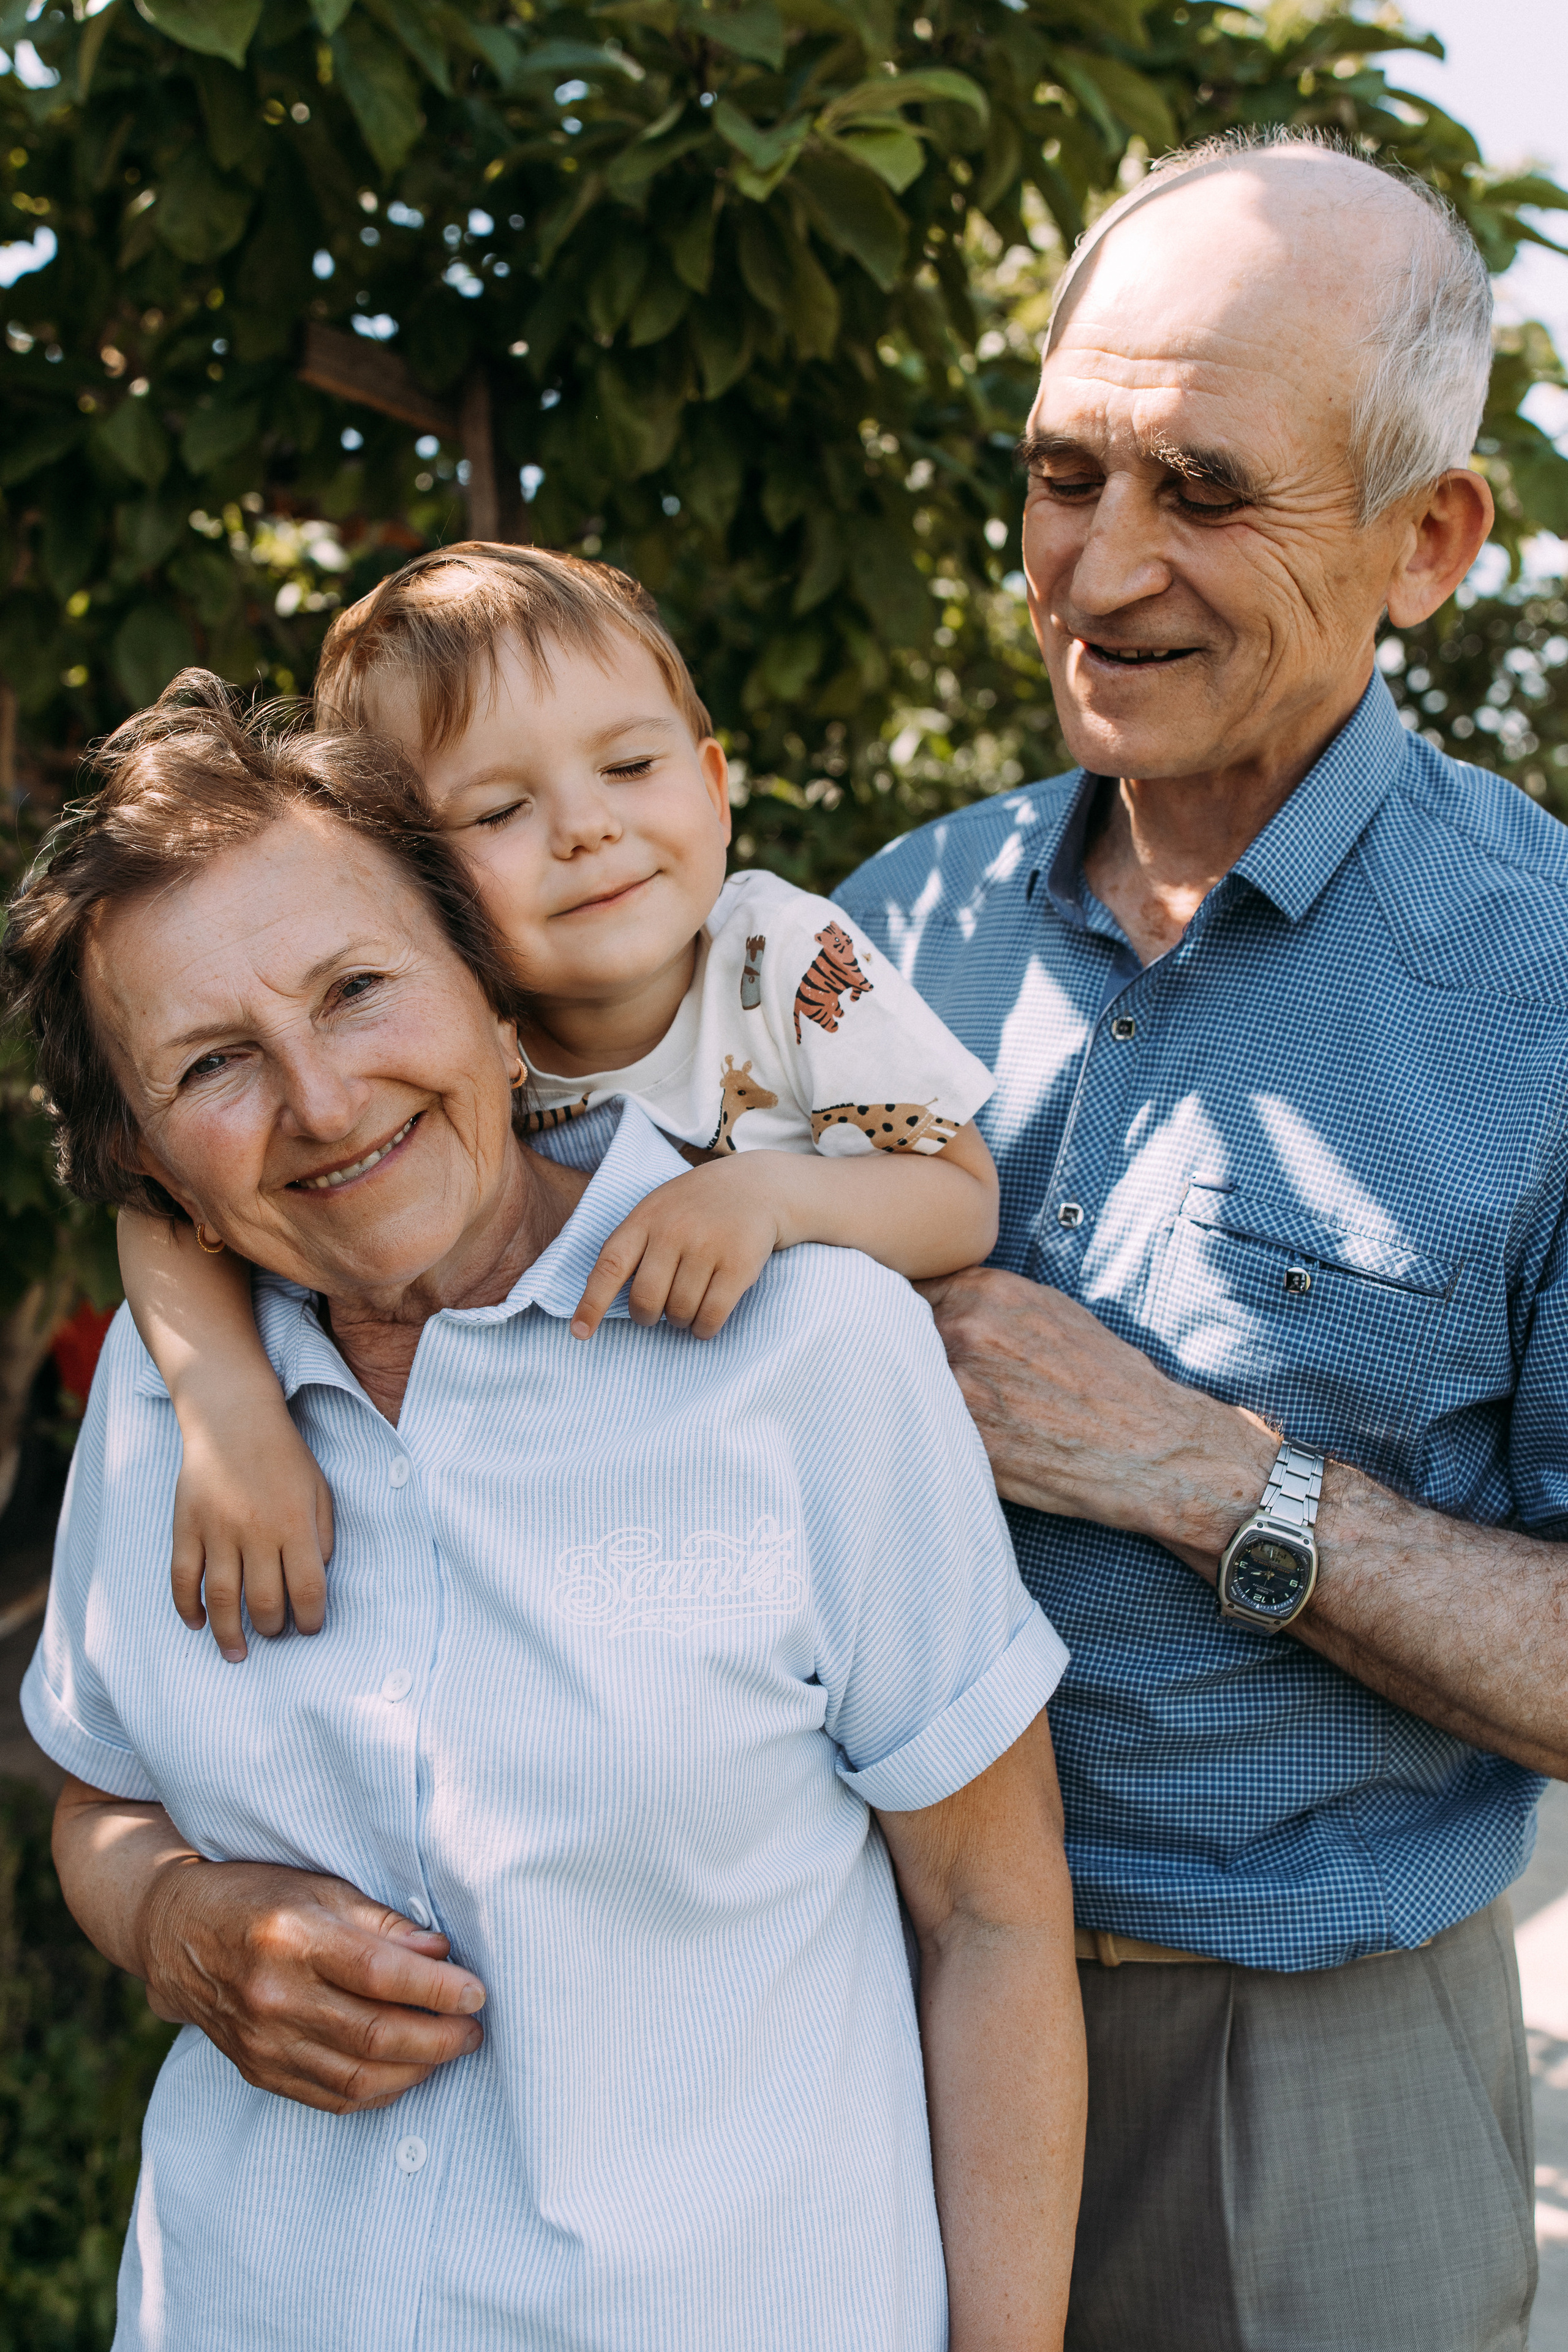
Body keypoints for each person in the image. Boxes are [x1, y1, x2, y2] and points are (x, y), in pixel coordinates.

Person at [3, 676, 1085, 2352]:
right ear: (148, 1163)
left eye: (360, 988)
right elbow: (98, 1799)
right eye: (215, 1062)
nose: (324, 1098)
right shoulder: (166, 1403)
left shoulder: (809, 1351)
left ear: (494, 997)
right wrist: (172, 1920)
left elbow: (996, 1915)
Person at [835, 127, 1556, 2350]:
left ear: (1429, 540)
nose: (1100, 566)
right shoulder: (892, 925)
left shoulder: (1548, 986)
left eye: (1208, 493)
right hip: (832, 2024)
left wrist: (1192, 1473)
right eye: (1066, 474)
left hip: (1287, 2098)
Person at [115, 546, 1001, 1659]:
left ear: (716, 789)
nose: (586, 828)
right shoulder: (444, 1046)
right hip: (590, 1500)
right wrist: (232, 1412)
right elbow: (165, 1205)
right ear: (416, 887)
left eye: (631, 766)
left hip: (843, 1490)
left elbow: (963, 1198)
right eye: (498, 811)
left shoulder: (784, 958)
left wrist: (773, 1196)